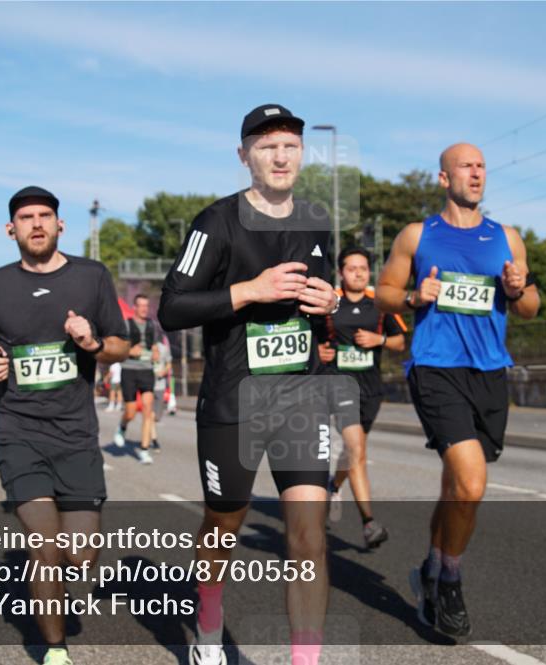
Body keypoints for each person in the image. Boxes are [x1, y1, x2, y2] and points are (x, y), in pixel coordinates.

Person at [159, 103, 338, 665]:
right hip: (235, 401)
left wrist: (330, 300)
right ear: (244, 157)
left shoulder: (315, 220)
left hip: (302, 398)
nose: (280, 155)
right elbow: (172, 308)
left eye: (289, 145)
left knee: (308, 534)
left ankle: (304, 660)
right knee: (223, 526)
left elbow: (325, 292)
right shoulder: (218, 222)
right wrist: (250, 290)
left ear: (301, 155)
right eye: (266, 146)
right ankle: (208, 622)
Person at [376, 143, 540, 639]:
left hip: (489, 371)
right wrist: (411, 296)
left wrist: (517, 290)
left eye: (482, 166)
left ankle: (429, 565)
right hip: (435, 367)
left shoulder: (506, 238)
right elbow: (383, 291)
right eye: (466, 166)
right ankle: (449, 579)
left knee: (455, 485)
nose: (477, 172)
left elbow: (531, 305)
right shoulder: (416, 235)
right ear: (444, 179)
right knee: (469, 482)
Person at [0, 185, 130, 665]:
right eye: (26, 217)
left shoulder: (92, 276)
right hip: (19, 431)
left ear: (60, 225)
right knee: (44, 545)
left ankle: (62, 584)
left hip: (76, 435)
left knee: (79, 555)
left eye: (45, 216)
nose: (36, 224)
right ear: (10, 229)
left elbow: (122, 344)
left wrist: (92, 341)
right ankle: (55, 653)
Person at [316, 247, 406, 548]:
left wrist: (378, 339)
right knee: (356, 449)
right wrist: (318, 351)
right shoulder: (329, 304)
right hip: (338, 384)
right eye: (352, 268)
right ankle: (369, 523)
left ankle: (332, 485)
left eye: (363, 268)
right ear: (341, 272)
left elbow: (399, 342)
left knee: (354, 451)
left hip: (370, 388)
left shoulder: (379, 305)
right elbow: (312, 339)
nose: (358, 273)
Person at [113, 294, 160, 465]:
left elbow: (154, 346)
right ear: (134, 307)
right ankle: (122, 426)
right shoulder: (126, 325)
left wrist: (155, 353)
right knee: (131, 411)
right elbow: (119, 348)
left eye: (146, 306)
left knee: (148, 409)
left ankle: (145, 449)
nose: (144, 309)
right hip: (129, 370)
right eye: (141, 305)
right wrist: (129, 351)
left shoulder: (152, 325)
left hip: (146, 370)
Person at [150, 338, 172, 452]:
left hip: (160, 385)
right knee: (150, 415)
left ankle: (151, 434)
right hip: (148, 385)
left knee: (157, 417)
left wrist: (163, 372)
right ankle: (154, 440)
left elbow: (169, 364)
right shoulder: (145, 347)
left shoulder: (164, 349)